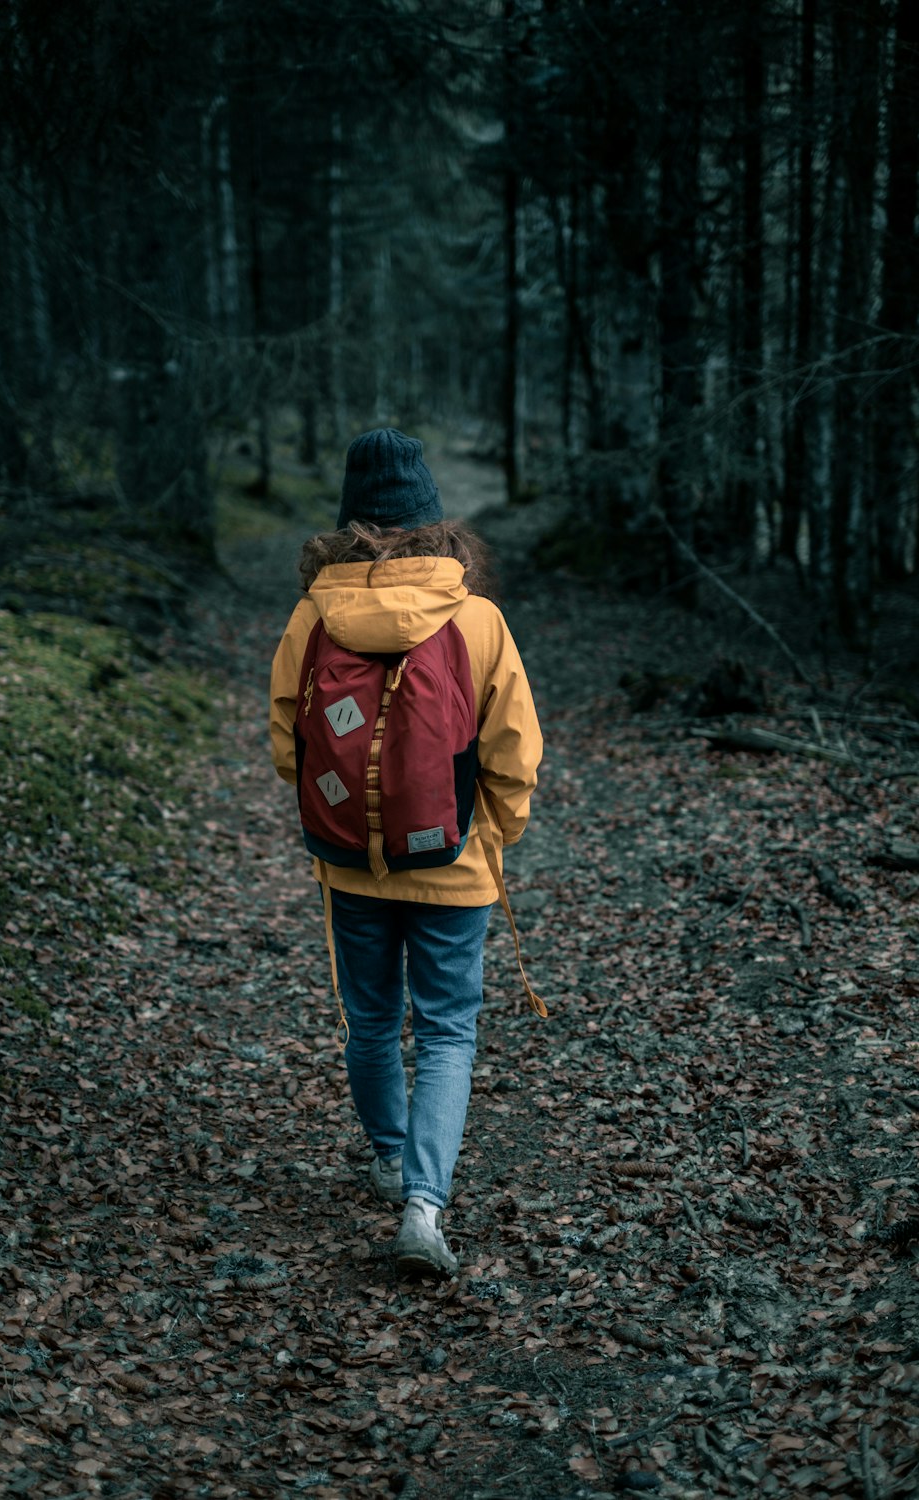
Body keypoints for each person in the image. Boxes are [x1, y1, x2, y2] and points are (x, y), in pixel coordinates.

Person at [269, 428, 543, 1278]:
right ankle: (425, 1206)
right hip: (452, 867)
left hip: (351, 860)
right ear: (433, 520)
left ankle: (388, 1159)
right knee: (450, 1029)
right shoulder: (477, 617)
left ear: (349, 520)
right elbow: (514, 753)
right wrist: (489, 836)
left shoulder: (314, 614)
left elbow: (290, 742)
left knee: (374, 1022)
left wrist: (343, 821)